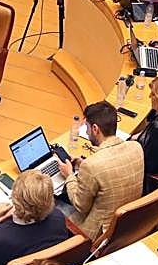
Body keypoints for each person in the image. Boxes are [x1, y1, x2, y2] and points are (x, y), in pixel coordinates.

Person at [58, 101, 144, 240]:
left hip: (95, 233)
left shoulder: (92, 166)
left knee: (51, 205)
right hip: (126, 224)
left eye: (87, 127)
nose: (86, 132)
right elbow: (112, 169)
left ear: (95, 129)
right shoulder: (136, 148)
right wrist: (83, 164)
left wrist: (69, 175)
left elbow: (80, 206)